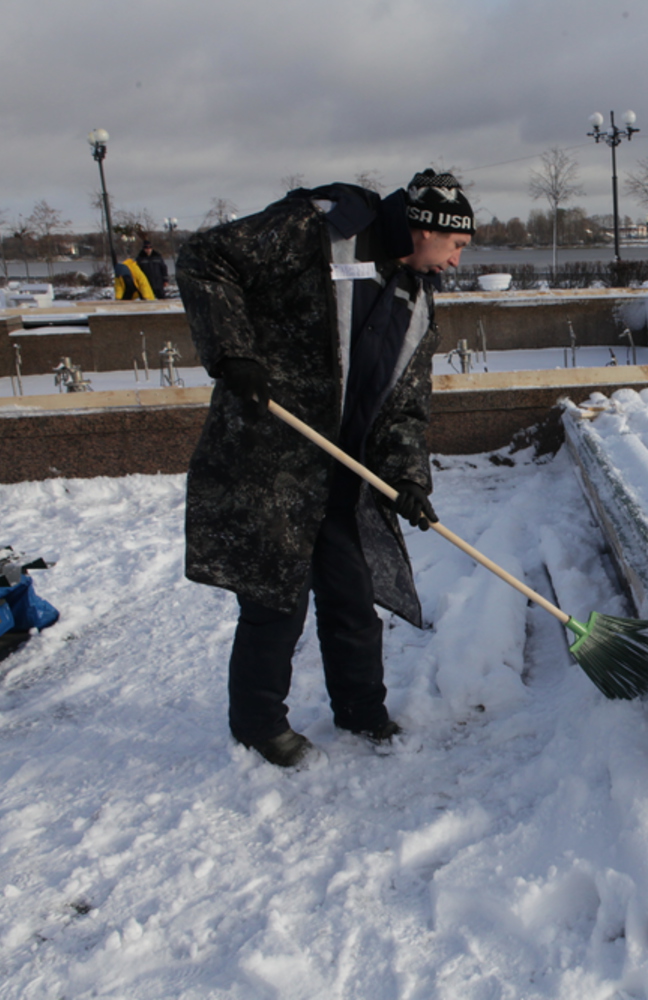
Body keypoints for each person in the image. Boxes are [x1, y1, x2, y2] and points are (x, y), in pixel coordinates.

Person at [177, 169, 475, 767]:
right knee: (275, 600)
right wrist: (235, 352)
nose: (458, 261)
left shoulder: (414, 295)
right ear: (425, 228)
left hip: (343, 466)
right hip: (273, 453)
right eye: (457, 246)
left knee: (352, 595)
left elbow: (403, 404)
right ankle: (258, 724)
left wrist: (408, 477)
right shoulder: (318, 227)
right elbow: (207, 258)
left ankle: (361, 710)